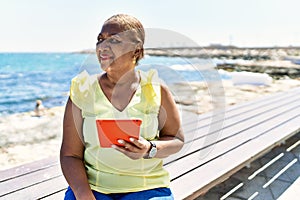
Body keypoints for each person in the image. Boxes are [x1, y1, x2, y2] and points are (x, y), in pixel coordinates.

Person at [60, 14, 184, 200]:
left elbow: (176, 140)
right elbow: (70, 155)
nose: (103, 47)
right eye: (100, 40)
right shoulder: (82, 90)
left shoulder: (156, 89)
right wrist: (83, 194)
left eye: (115, 40)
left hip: (147, 188)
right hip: (93, 189)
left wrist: (149, 148)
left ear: (136, 50)